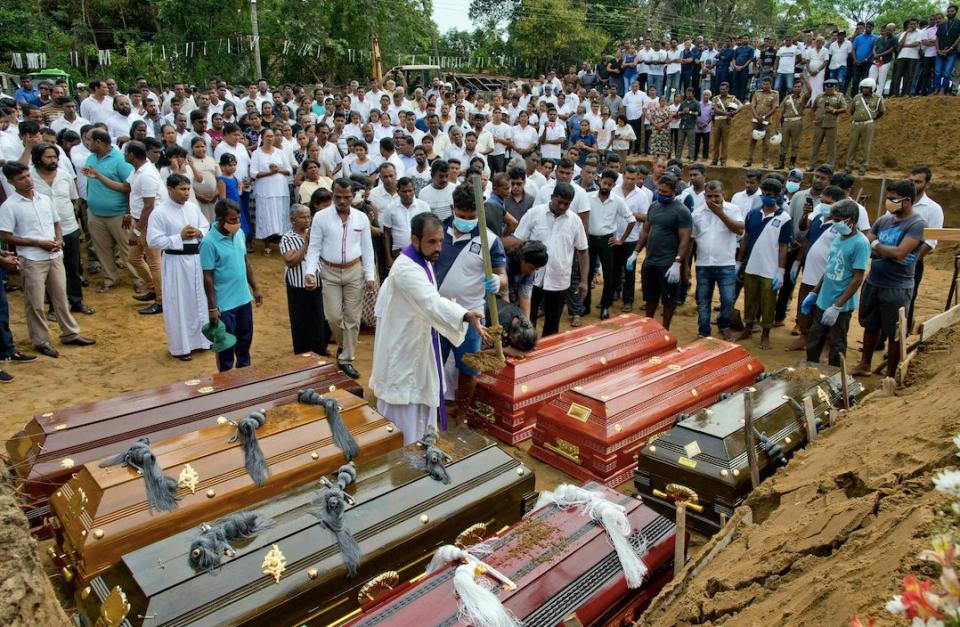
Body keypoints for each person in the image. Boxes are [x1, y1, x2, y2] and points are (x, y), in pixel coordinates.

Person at [370, 212, 488, 445]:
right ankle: (406, 456)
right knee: (404, 406)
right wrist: (464, 314)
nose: (438, 247)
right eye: (432, 242)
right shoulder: (407, 269)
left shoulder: (422, 260)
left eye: (441, 241)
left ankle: (422, 446)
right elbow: (431, 302)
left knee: (420, 400)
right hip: (404, 347)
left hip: (418, 339)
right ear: (415, 240)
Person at [0, 162, 95, 358]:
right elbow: (6, 235)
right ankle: (40, 340)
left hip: (53, 255)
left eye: (27, 176)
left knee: (61, 297)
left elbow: (56, 222)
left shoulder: (44, 198)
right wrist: (37, 242)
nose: (27, 181)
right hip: (31, 258)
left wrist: (59, 239)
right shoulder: (9, 206)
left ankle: (70, 333)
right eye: (21, 178)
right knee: (35, 302)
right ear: (11, 182)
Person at [435, 183, 507, 414]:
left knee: (468, 369)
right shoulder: (436, 232)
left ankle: (461, 413)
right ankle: (432, 408)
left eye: (472, 216)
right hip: (437, 314)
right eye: (462, 215)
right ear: (452, 208)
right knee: (432, 365)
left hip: (472, 318)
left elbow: (502, 275)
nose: (467, 220)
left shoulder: (489, 240)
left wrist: (498, 282)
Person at [851, 179, 926, 381]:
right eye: (888, 198)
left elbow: (900, 252)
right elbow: (866, 245)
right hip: (874, 281)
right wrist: (885, 251)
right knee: (870, 326)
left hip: (897, 288)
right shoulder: (884, 220)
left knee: (894, 333)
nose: (889, 202)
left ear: (907, 201)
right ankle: (864, 364)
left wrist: (878, 246)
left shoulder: (917, 224)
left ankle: (891, 374)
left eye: (893, 199)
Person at [303, 178, 376, 379]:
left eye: (346, 197)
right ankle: (344, 345)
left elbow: (368, 250)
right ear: (332, 194)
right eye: (338, 197)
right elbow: (314, 247)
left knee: (352, 318)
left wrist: (370, 275)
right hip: (329, 272)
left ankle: (346, 359)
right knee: (333, 316)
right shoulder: (320, 217)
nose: (342, 201)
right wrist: (310, 272)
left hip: (354, 271)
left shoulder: (361, 218)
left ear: (353, 196)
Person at [509, 182, 588, 337]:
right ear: (552, 197)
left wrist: (584, 280)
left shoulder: (575, 221)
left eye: (567, 203)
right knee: (526, 320)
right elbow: (517, 242)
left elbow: (583, 251)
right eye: (559, 202)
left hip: (559, 280)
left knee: (552, 326)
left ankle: (546, 358)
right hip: (531, 279)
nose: (562, 206)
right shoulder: (534, 214)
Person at [147, 173, 211, 361]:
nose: (186, 193)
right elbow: (153, 240)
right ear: (170, 189)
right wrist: (178, 238)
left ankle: (203, 340)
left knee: (199, 300)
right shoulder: (159, 212)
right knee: (179, 304)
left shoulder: (192, 207)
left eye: (188, 189)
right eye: (182, 189)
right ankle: (181, 346)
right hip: (176, 263)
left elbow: (206, 226)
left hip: (197, 260)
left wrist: (199, 232)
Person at [30, 143, 95, 317]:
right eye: (48, 157)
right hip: (43, 232)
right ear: (38, 159)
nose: (53, 160)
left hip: (68, 227)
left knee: (72, 267)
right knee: (50, 270)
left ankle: (76, 302)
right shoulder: (30, 178)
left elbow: (74, 200)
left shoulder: (65, 176)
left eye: (55, 157)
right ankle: (54, 307)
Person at [201, 199, 263, 372]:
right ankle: (226, 382)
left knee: (245, 340)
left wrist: (255, 287)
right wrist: (212, 308)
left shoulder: (240, 234)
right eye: (232, 220)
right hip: (224, 304)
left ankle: (245, 374)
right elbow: (207, 277)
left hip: (243, 299)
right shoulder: (208, 243)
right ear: (220, 219)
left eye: (238, 219)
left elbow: (245, 262)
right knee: (225, 347)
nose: (237, 223)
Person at [624, 173, 691, 330]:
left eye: (665, 192)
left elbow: (685, 239)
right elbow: (645, 231)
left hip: (668, 263)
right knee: (650, 297)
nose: (661, 194)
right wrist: (635, 252)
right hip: (650, 260)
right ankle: (649, 326)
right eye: (660, 191)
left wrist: (677, 263)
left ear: (675, 190)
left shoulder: (682, 211)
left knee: (668, 300)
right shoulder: (654, 206)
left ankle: (665, 329)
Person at [789, 185, 846, 351]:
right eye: (822, 201)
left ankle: (826, 344)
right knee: (804, 307)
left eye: (828, 203)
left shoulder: (841, 227)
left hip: (828, 275)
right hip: (809, 271)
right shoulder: (818, 218)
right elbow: (806, 239)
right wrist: (797, 262)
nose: (824, 205)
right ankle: (804, 337)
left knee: (824, 309)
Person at [737, 177, 792, 349]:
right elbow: (745, 238)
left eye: (770, 195)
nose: (766, 197)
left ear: (777, 197)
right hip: (751, 265)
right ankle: (747, 327)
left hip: (770, 268)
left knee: (768, 302)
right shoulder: (753, 214)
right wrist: (739, 261)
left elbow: (783, 247)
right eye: (765, 194)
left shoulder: (784, 218)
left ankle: (766, 333)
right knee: (749, 298)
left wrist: (781, 271)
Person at [81, 128, 138, 293]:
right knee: (102, 248)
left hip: (119, 214)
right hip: (95, 213)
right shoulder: (91, 157)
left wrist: (128, 212)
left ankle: (139, 278)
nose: (86, 143)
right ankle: (109, 278)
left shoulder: (120, 160)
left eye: (89, 140)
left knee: (127, 249)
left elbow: (130, 187)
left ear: (98, 142)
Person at [692, 180, 744, 339]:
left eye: (717, 196)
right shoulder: (697, 213)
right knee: (703, 301)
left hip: (726, 264)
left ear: (724, 195)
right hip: (703, 264)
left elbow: (739, 229)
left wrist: (720, 213)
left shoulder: (733, 209)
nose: (713, 200)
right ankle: (703, 331)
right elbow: (691, 239)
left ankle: (723, 324)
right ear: (704, 196)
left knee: (728, 300)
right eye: (709, 196)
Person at [280, 204, 330, 356]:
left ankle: (319, 349)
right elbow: (290, 261)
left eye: (309, 216)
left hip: (318, 283)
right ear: (293, 220)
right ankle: (302, 352)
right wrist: (306, 244)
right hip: (297, 285)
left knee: (319, 317)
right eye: (302, 217)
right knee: (300, 319)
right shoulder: (287, 238)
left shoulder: (316, 233)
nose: (307, 220)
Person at [585, 169, 635, 320]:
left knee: (609, 275)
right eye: (604, 182)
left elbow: (631, 220)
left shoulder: (617, 201)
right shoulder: (588, 197)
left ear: (614, 185)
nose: (606, 186)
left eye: (610, 184)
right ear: (599, 180)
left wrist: (621, 239)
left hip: (608, 241)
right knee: (586, 274)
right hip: (590, 240)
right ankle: (585, 306)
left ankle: (605, 307)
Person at [122, 140, 164, 315]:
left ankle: (161, 301)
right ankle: (153, 289)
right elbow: (127, 189)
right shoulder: (138, 171)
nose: (123, 155)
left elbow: (149, 206)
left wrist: (137, 230)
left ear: (132, 155)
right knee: (134, 258)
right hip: (141, 220)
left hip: (149, 222)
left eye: (125, 153)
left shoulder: (146, 174)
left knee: (154, 262)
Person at [907, 166, 944, 332]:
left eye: (918, 182)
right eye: (911, 181)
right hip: (890, 258)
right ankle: (880, 340)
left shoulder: (933, 209)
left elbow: (931, 242)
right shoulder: (897, 201)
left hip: (914, 261)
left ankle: (901, 339)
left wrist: (912, 261)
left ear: (926, 184)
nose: (914, 185)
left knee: (908, 300)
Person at [250, 128, 291, 254]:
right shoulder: (257, 153)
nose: (270, 138)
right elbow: (253, 173)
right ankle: (266, 245)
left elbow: (289, 170)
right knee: (265, 216)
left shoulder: (280, 152)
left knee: (282, 216)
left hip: (280, 190)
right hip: (264, 191)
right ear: (262, 138)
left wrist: (277, 170)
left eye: (272, 136)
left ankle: (283, 245)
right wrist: (269, 173)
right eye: (267, 136)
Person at [845, 78, 885, 176]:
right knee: (852, 145)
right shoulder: (857, 97)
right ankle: (849, 165)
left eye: (867, 88)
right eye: (863, 88)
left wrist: (873, 118)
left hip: (868, 124)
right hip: (856, 124)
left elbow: (882, 111)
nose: (864, 90)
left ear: (872, 88)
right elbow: (852, 110)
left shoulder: (877, 98)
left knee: (865, 146)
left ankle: (863, 166)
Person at [806, 79, 845, 170]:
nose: (828, 90)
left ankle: (829, 166)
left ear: (835, 87)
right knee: (815, 145)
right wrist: (813, 119)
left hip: (831, 124)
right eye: (827, 88)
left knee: (831, 146)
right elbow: (813, 108)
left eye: (831, 88)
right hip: (819, 124)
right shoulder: (820, 96)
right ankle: (811, 164)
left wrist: (834, 110)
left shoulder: (839, 96)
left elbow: (845, 108)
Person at [745, 76, 779, 168]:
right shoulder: (757, 93)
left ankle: (765, 162)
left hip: (767, 121)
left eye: (767, 84)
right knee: (752, 141)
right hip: (755, 120)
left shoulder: (775, 94)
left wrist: (764, 116)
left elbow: (775, 108)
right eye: (763, 83)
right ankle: (748, 160)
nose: (765, 85)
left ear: (770, 84)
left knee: (766, 142)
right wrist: (756, 116)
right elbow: (752, 105)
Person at [777, 80, 806, 170]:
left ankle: (792, 164)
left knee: (795, 143)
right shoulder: (787, 97)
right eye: (795, 86)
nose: (797, 88)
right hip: (786, 121)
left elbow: (810, 91)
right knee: (783, 143)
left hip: (797, 121)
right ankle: (781, 163)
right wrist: (778, 124)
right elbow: (782, 110)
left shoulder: (803, 97)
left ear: (801, 88)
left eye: (799, 86)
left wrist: (805, 79)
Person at [710, 83, 741, 166]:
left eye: (724, 89)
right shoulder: (715, 98)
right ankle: (714, 159)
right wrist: (726, 113)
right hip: (717, 121)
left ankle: (723, 160)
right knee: (715, 141)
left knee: (725, 142)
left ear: (728, 89)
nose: (722, 91)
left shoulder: (732, 98)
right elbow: (715, 109)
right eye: (721, 89)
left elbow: (741, 105)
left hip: (727, 122)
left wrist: (735, 112)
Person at [934, 6, 960, 94]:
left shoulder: (959, 23)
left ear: (956, 11)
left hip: (952, 52)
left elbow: (959, 37)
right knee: (937, 71)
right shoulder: (942, 24)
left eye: (952, 11)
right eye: (948, 11)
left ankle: (943, 90)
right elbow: (937, 37)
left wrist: (951, 48)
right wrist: (937, 49)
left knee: (947, 72)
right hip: (940, 51)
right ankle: (936, 89)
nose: (949, 13)